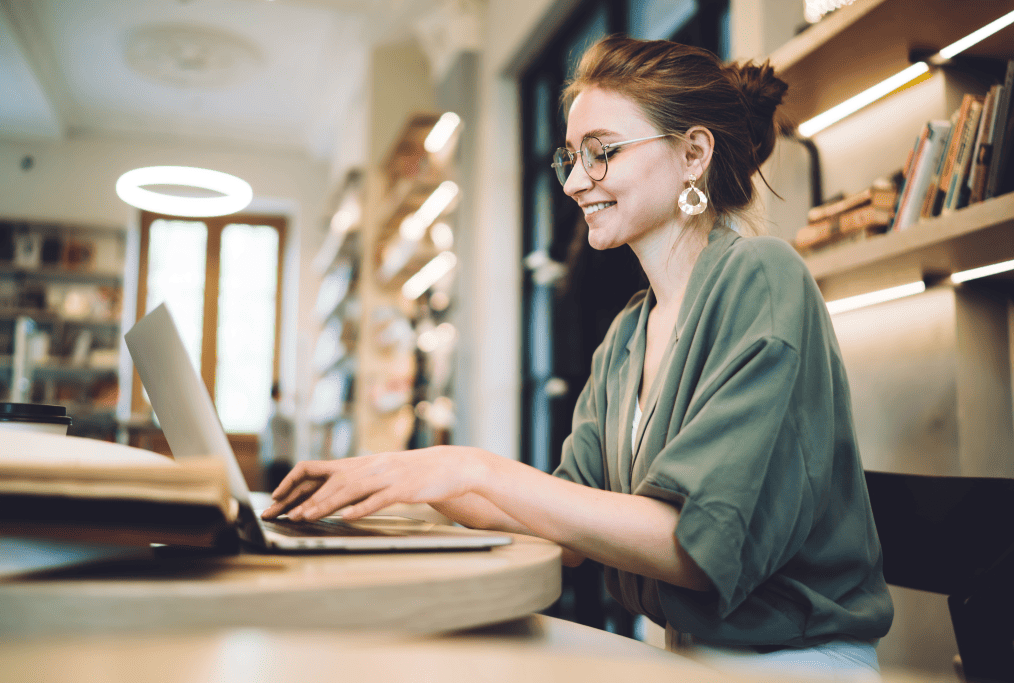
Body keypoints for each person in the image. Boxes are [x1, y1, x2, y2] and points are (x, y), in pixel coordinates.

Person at [263, 35, 893, 677]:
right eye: (572, 158)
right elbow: (563, 529)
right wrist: (406, 486)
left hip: (797, 662)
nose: (573, 183)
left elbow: (693, 548)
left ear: (693, 155)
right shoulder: (627, 335)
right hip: (687, 655)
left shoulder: (762, 275)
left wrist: (474, 468)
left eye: (602, 154)